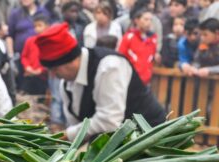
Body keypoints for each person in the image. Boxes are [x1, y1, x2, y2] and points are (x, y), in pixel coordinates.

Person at [35, 23, 166, 141]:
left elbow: (109, 121)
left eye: (54, 69)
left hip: (149, 134)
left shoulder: (109, 66)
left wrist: (66, 135)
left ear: (71, 60)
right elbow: (76, 124)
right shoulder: (66, 84)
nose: (52, 75)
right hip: (115, 143)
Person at [6, 0, 50, 90]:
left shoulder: (43, 12)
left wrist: (41, 69)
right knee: (23, 89)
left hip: (40, 62)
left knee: (41, 92)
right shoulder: (15, 14)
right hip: (21, 58)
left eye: (39, 26)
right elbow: (9, 35)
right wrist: (11, 56)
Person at [118, 9, 157, 84]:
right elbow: (121, 56)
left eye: (150, 20)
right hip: (130, 79)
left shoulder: (153, 38)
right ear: (137, 20)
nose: (149, 22)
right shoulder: (128, 37)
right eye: (146, 19)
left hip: (146, 80)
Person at [21, 15, 49, 94]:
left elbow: (50, 59)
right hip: (29, 75)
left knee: (41, 99)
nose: (37, 28)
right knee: (26, 98)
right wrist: (27, 66)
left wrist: (41, 70)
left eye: (40, 25)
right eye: (35, 26)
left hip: (43, 77)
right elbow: (24, 56)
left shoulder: (49, 42)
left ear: (47, 26)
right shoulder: (30, 40)